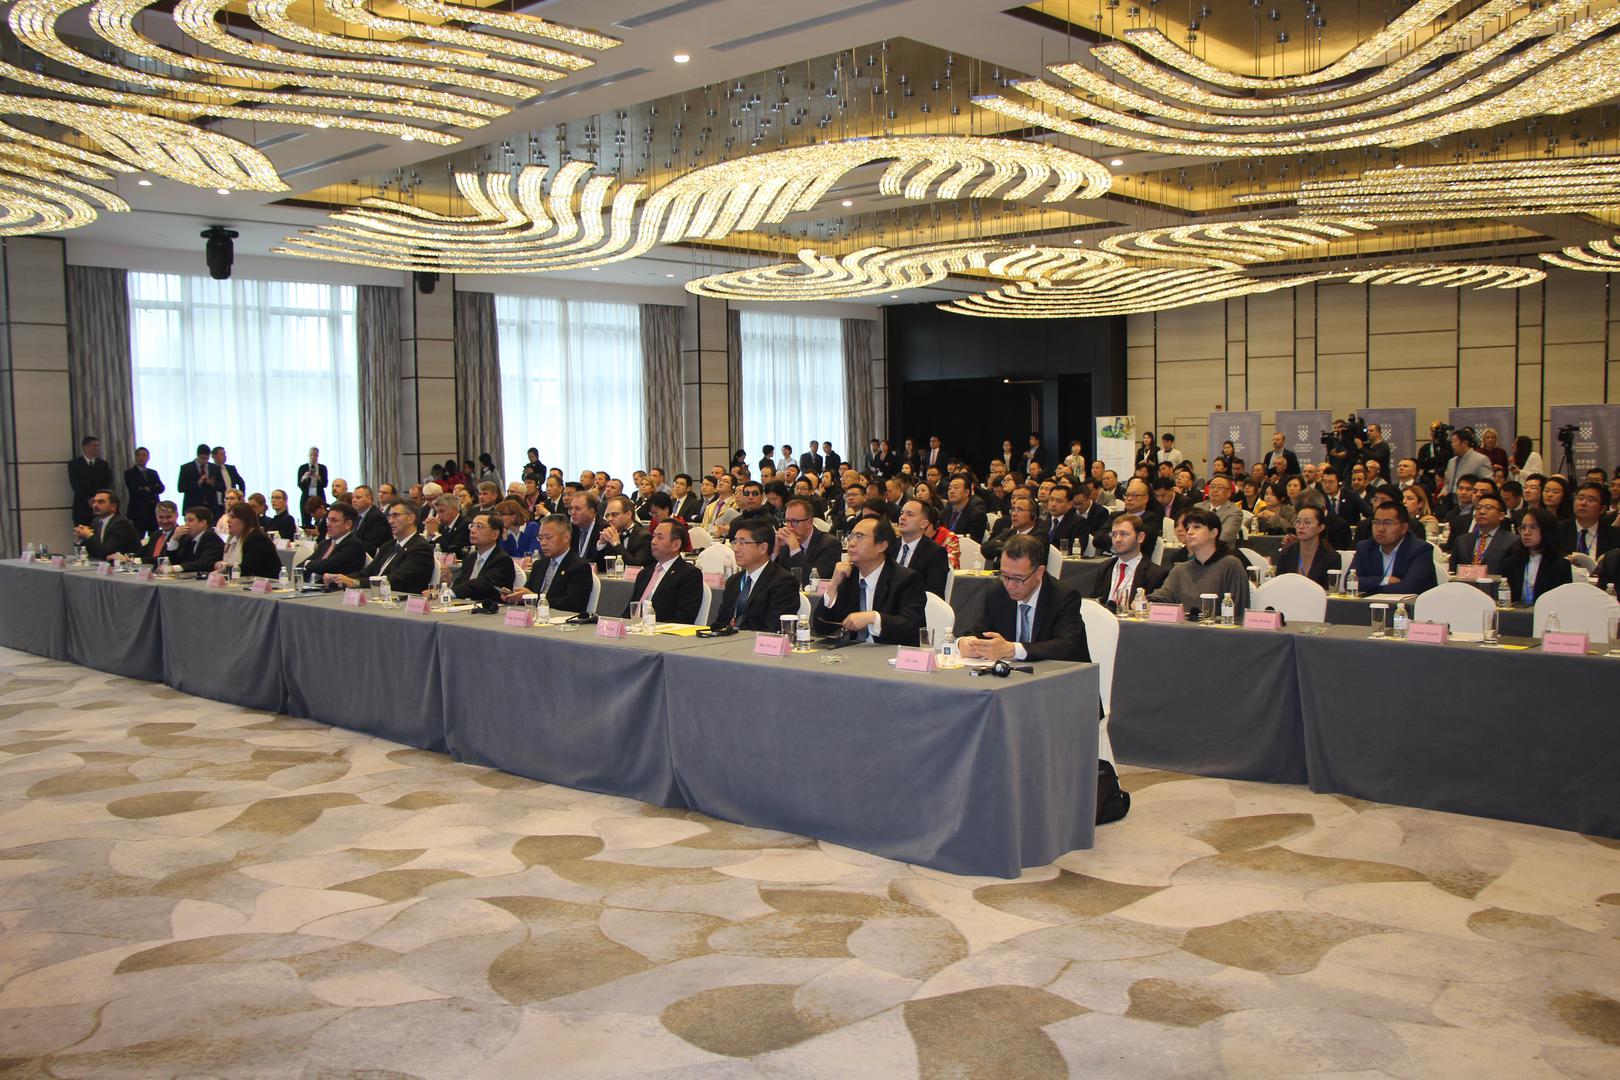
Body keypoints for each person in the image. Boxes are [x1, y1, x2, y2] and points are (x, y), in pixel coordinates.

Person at [956, 533, 1088, 663]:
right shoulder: (996, 593)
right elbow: (977, 632)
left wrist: (1013, 649)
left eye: (1018, 579)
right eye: (1004, 575)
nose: (1009, 585)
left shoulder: (1063, 597)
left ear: (1039, 572)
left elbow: (1066, 647)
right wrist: (963, 643)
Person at [813, 516, 926, 644]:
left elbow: (910, 627)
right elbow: (821, 627)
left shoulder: (906, 579)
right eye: (851, 536)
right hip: (851, 652)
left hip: (889, 652)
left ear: (881, 546)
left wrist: (873, 618)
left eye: (860, 536)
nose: (852, 543)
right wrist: (833, 585)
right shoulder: (848, 576)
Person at [1148, 508, 1250, 617]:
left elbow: (1238, 608)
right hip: (1184, 626)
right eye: (1187, 528)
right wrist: (1145, 602)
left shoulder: (1231, 565)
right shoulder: (1180, 570)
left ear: (1213, 533)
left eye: (1197, 527)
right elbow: (1162, 596)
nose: (1189, 532)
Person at [328, 501, 434, 594]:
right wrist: (339, 579)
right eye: (389, 516)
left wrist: (355, 583)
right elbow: (366, 573)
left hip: (400, 602)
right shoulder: (388, 546)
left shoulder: (420, 548)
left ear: (411, 518)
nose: (390, 521)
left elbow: (397, 580)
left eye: (395, 516)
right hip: (376, 597)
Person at [503, 513, 593, 612]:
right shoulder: (539, 564)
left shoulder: (579, 567)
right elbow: (528, 593)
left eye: (548, 537)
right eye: (540, 538)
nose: (543, 543)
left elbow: (573, 604)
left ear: (566, 537)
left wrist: (536, 598)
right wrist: (515, 596)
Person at [1348, 501, 1438, 596]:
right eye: (1376, 522)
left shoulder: (1420, 549)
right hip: (1372, 603)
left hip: (1412, 604)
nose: (1380, 529)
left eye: (1387, 523)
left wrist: (1371, 590)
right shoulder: (1365, 547)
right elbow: (1350, 582)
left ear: (1404, 528)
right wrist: (1385, 580)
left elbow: (1410, 587)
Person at [622, 520, 704, 624]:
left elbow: (684, 618)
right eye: (653, 536)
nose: (653, 542)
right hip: (634, 628)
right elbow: (631, 610)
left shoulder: (689, 574)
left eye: (659, 537)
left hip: (660, 630)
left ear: (676, 545)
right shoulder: (645, 573)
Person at [1094, 514, 1168, 611]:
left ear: (1140, 537)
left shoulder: (1155, 574)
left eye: (1124, 534)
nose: (1117, 539)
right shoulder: (1104, 567)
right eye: (1114, 534)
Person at [1503, 507, 1571, 605]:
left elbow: (1561, 603)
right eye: (1523, 528)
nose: (1526, 532)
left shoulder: (1560, 565)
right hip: (1516, 613)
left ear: (1546, 531)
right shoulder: (1511, 563)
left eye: (1533, 527)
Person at [444, 511, 516, 603]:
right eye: (472, 525)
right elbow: (461, 583)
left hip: (488, 608)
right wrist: (448, 583)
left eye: (479, 527)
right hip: (463, 606)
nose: (472, 530)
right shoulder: (470, 557)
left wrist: (450, 592)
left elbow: (482, 584)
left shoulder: (502, 560)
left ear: (495, 534)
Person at [773, 497, 839, 582]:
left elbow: (813, 582)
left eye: (794, 521)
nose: (789, 526)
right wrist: (775, 551)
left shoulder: (830, 544)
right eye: (787, 521)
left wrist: (794, 548)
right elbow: (771, 579)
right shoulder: (785, 544)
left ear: (809, 522)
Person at [894, 498, 951, 597]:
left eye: (910, 514)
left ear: (924, 523)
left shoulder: (935, 553)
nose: (902, 517)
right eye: (901, 513)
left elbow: (934, 593)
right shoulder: (889, 545)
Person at [1449, 491, 1515, 575]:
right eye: (1478, 508)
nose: (1481, 512)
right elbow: (1453, 571)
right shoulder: (1461, 540)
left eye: (1488, 508)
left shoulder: (1512, 541)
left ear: (1501, 515)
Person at [1272, 504, 1336, 588]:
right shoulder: (1286, 553)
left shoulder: (1331, 557)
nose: (1301, 526)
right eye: (1298, 522)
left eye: (1307, 522)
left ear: (1320, 527)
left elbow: (1331, 590)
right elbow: (1279, 585)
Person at [299, 502, 367, 579]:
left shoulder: (354, 545)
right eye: (328, 520)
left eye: (334, 521)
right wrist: (308, 564)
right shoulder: (325, 543)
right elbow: (299, 567)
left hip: (336, 586)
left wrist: (307, 564)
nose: (328, 524)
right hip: (312, 584)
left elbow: (326, 566)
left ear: (348, 524)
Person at [73, 488, 140, 561]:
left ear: (113, 506)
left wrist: (89, 535)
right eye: (94, 502)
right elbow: (92, 551)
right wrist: (81, 538)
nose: (95, 505)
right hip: (102, 564)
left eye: (100, 502)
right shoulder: (96, 521)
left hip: (126, 565)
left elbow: (107, 553)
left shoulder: (121, 523)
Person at [217, 503, 281, 578]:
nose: (228, 520)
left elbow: (246, 570)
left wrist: (224, 569)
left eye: (233, 517)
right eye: (229, 517)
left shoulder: (258, 540)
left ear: (245, 520)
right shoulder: (234, 539)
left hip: (268, 583)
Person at [1560, 481, 1620, 560]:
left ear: (1602, 509)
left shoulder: (1615, 536)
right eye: (1580, 498)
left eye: (1591, 500)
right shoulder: (1558, 530)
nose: (1583, 503)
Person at [67, 435, 115, 528]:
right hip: (82, 507)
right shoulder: (74, 464)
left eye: (98, 445)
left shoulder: (103, 464)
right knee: (83, 534)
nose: (97, 448)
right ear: (85, 447)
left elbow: (107, 483)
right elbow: (76, 485)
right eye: (94, 445)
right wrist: (89, 499)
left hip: (101, 506)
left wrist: (97, 499)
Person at [598, 494, 652, 567]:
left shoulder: (644, 537)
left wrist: (616, 544)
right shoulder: (609, 534)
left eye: (615, 514)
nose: (609, 519)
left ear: (629, 514)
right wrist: (602, 543)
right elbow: (599, 567)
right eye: (607, 515)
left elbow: (636, 566)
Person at [122, 445, 164, 536]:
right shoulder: (129, 473)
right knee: (138, 536)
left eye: (144, 455)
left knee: (155, 535)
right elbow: (134, 491)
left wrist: (146, 488)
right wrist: (153, 488)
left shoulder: (153, 473)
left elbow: (161, 488)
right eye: (139, 455)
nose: (141, 458)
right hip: (138, 510)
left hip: (153, 510)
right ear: (135, 457)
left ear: (148, 458)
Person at [171, 506, 225, 573]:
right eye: (185, 520)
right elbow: (177, 560)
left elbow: (204, 562)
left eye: (190, 520)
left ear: (203, 523)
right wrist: (174, 539)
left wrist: (176, 568)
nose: (186, 524)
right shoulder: (188, 538)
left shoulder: (211, 537)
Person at [1442, 428, 1491, 495]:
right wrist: (1443, 492)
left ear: (1465, 443)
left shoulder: (1481, 460)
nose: (1452, 444)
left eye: (1454, 441)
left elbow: (1488, 484)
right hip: (1451, 498)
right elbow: (1447, 483)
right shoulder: (1451, 462)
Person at [177, 443, 223, 513]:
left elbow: (223, 487)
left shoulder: (214, 468)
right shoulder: (186, 468)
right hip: (193, 506)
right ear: (197, 456)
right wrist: (198, 483)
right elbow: (181, 488)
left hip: (211, 507)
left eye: (207, 458)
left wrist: (212, 483)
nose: (205, 461)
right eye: (203, 458)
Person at [1197, 475, 1244, 544]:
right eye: (1212, 486)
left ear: (1229, 493)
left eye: (1220, 487)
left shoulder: (1235, 512)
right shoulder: (1198, 507)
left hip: (1220, 549)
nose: (1215, 490)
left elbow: (1223, 537)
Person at [940, 475, 988, 543]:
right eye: (949, 488)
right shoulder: (943, 513)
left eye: (956, 488)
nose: (951, 491)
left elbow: (973, 542)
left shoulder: (976, 515)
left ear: (966, 492)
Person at [423, 493, 471, 559]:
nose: (438, 515)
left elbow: (453, 551)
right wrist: (429, 535)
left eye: (442, 511)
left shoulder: (465, 524)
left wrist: (435, 533)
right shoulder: (442, 526)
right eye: (437, 512)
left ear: (454, 509)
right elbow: (430, 549)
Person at [350, 485, 391, 555]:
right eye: (353, 497)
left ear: (369, 499)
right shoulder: (357, 516)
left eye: (358, 497)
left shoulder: (376, 517)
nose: (354, 500)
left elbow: (370, 546)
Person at [139, 500, 182, 565]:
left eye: (168, 517)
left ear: (177, 515)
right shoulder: (155, 535)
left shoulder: (181, 535)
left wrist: (141, 560)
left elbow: (166, 558)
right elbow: (143, 553)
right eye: (161, 517)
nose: (165, 521)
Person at [296, 448, 327, 527]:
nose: (313, 457)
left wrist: (319, 478)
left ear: (318, 456)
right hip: (306, 496)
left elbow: (325, 484)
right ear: (308, 455)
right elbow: (299, 484)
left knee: (321, 519)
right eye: (311, 455)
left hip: (319, 496)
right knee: (305, 520)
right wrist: (304, 478)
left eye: (315, 455)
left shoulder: (322, 468)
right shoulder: (302, 468)